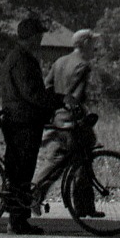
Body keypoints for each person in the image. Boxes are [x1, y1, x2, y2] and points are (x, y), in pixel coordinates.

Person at [0, 15, 55, 235]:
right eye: (39, 35)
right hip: (23, 121)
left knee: (20, 171)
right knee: (21, 171)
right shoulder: (22, 60)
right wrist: (56, 100)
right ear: (31, 36)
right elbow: (31, 93)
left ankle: (18, 217)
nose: (41, 39)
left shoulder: (18, 57)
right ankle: (17, 221)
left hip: (19, 119)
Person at [47, 29, 102, 219]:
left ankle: (85, 206)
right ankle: (82, 205)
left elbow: (47, 88)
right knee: (81, 159)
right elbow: (75, 96)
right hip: (73, 121)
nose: (95, 47)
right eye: (93, 43)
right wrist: (79, 115)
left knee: (67, 161)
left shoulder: (59, 62)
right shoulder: (83, 65)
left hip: (59, 119)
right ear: (85, 43)